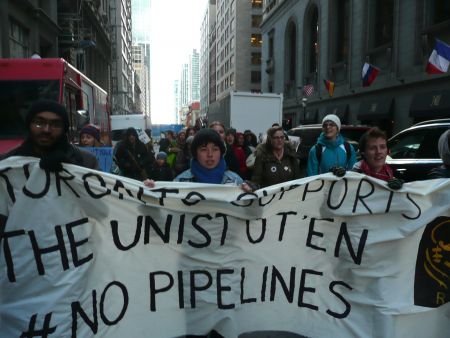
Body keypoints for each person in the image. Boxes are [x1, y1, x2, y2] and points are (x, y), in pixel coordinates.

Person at [0, 99, 99, 171]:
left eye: (55, 124)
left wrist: (71, 170)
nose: (46, 130)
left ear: (64, 129)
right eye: (39, 123)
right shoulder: (5, 162)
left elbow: (98, 196)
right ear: (29, 125)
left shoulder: (87, 162)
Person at [144, 129, 252, 192]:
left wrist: (252, 194)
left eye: (215, 149)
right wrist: (151, 191)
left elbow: (252, 216)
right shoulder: (181, 182)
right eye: (204, 150)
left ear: (221, 153)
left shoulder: (235, 181)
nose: (210, 155)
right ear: (195, 153)